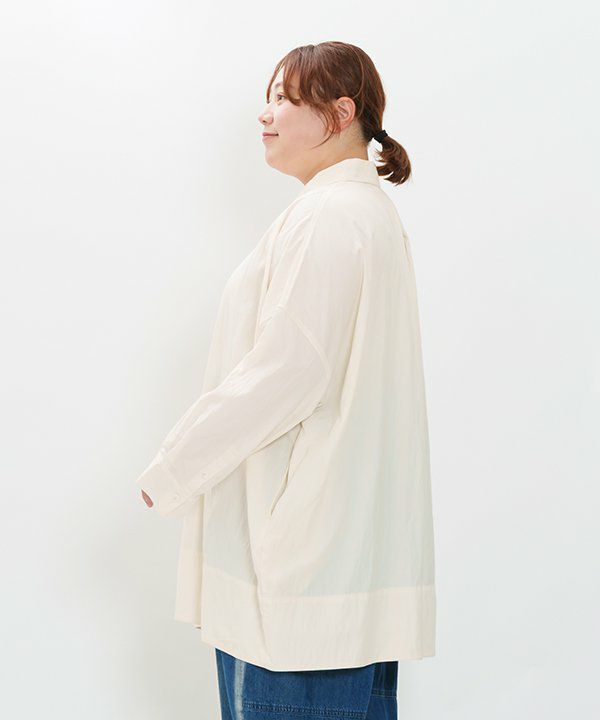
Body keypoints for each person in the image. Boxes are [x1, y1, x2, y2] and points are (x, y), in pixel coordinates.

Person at [135, 40, 435, 719]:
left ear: (340, 113)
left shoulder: (329, 217)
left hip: (300, 574)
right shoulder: (364, 214)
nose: (264, 114)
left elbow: (286, 372)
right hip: (340, 567)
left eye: (283, 98)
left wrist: (174, 470)